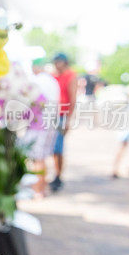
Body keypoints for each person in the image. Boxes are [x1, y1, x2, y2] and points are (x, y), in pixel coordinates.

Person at [22, 58, 60, 197]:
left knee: (37, 159)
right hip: (50, 123)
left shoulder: (37, 81)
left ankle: (37, 191)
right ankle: (41, 188)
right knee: (43, 158)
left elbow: (33, 102)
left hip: (38, 125)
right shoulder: (52, 81)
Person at [49, 53, 76, 191]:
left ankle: (58, 175)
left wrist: (68, 119)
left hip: (62, 115)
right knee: (53, 148)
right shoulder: (53, 76)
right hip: (52, 114)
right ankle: (56, 174)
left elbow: (72, 98)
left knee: (58, 147)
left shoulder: (70, 76)